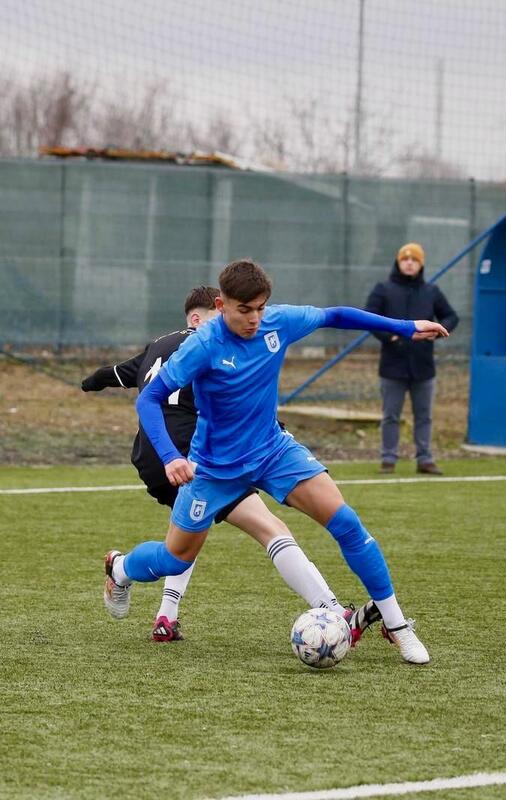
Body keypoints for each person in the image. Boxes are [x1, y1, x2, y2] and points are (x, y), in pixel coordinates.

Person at [104, 259, 449, 664]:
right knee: (173, 558)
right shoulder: (203, 345)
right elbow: (148, 399)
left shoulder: (278, 322)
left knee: (347, 523)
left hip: (273, 451)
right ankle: (121, 569)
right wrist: (169, 457)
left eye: (260, 308)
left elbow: (336, 315)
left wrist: (406, 327)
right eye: (244, 310)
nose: (254, 319)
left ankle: (397, 624)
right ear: (221, 305)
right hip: (215, 469)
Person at [82, 286, 380, 643]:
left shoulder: (157, 346)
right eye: (224, 314)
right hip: (198, 457)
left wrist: (88, 383)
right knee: (269, 528)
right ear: (199, 317)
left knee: (184, 541)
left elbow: (111, 375)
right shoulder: (212, 348)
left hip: (153, 456)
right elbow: (237, 406)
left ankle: (156, 606)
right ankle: (333, 610)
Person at [365, 242, 459, 475]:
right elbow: (369, 317)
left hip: (423, 366)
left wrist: (437, 332)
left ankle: (425, 459)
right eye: (405, 259)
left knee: (424, 416)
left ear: (421, 264)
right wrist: (390, 337)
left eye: (414, 260)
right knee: (390, 416)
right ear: (398, 262)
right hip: (392, 366)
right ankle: (388, 459)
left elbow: (451, 316)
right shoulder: (383, 289)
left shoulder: (431, 291)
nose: (409, 263)